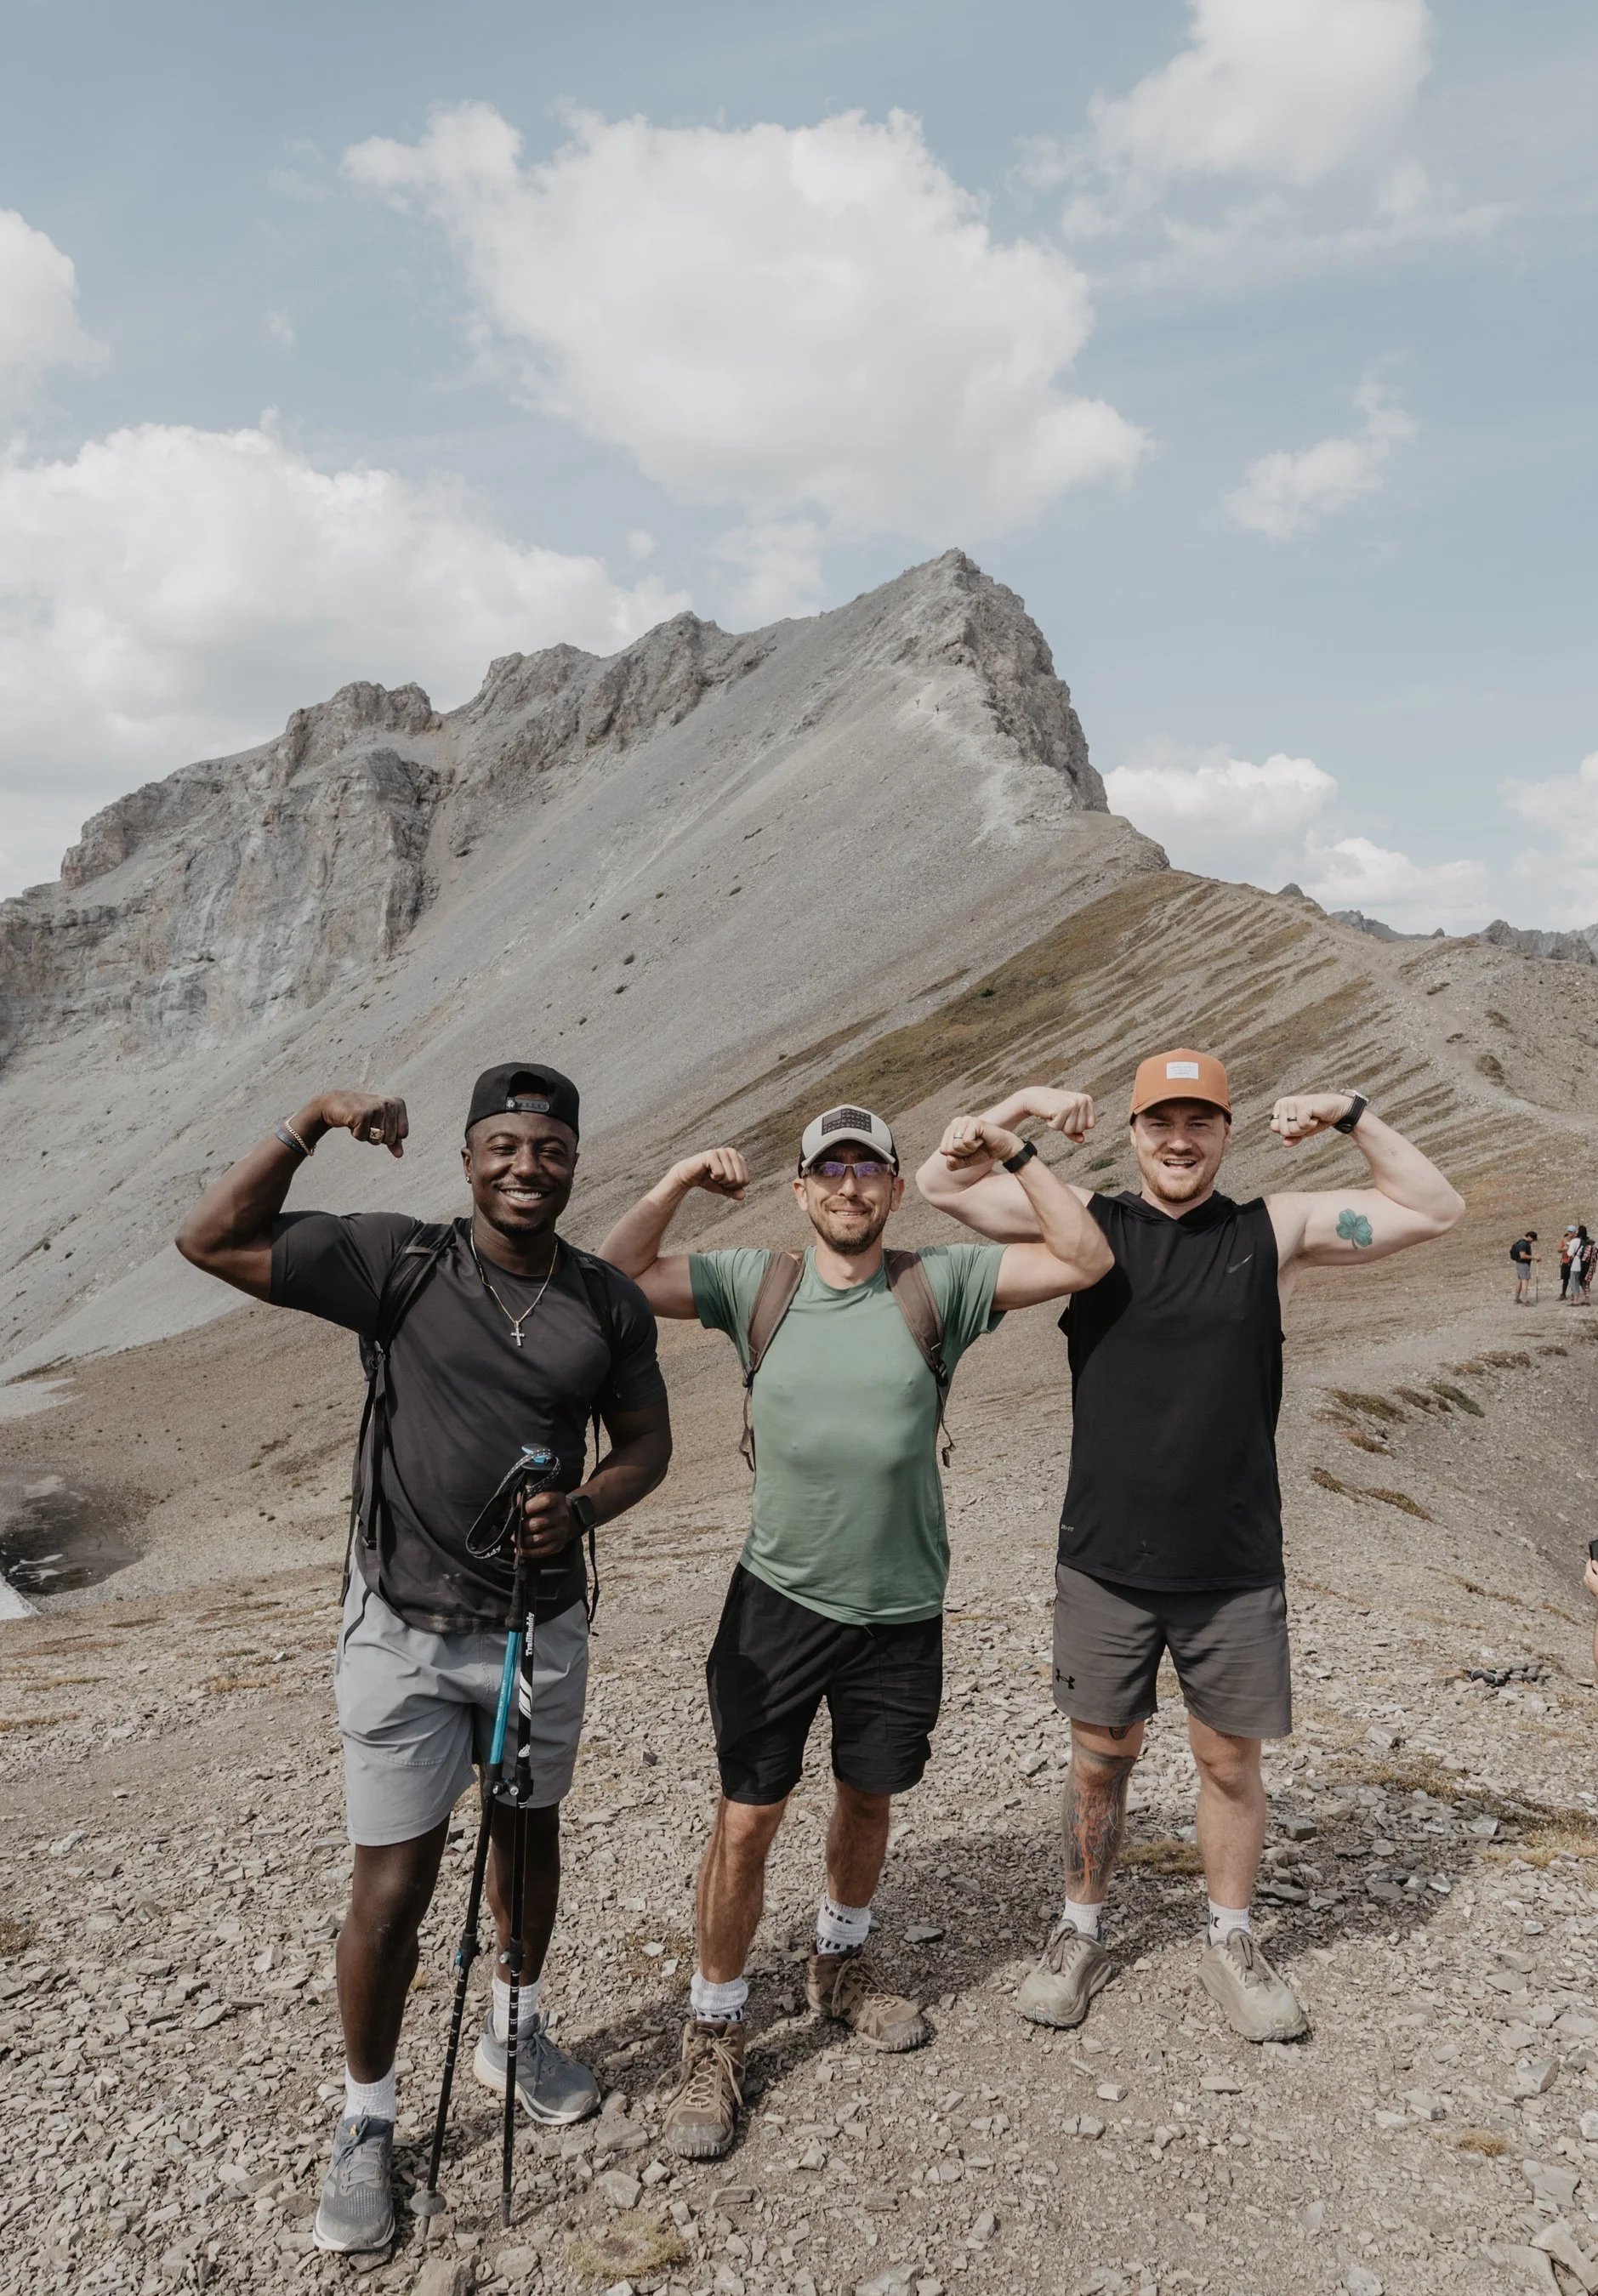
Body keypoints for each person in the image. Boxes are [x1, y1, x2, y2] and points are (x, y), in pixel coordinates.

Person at [176, 1066, 672, 2255]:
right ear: (466, 1158)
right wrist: (312, 1118)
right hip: (398, 1628)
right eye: (502, 1145)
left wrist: (585, 1511)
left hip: (534, 1626)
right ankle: (365, 2122)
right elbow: (209, 1239)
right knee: (390, 1886)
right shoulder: (398, 1260)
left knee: (526, 1836)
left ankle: (515, 2028)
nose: (525, 1167)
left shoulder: (603, 1301)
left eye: (548, 1149)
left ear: (570, 1162)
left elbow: (647, 1443)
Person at [597, 1102, 1112, 2158]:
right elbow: (611, 1277)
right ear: (800, 1193)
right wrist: (680, 1175)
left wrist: (1013, 1147)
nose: (847, 1188)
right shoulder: (758, 1283)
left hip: (901, 1609)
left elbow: (1085, 1255)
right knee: (747, 1819)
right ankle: (716, 2022)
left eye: (866, 1171)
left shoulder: (941, 1284)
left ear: (892, 1187)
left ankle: (836, 1961)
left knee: (867, 1797)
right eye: (827, 1173)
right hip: (776, 1602)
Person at [918, 1054, 1464, 2046]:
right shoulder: (1087, 1222)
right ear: (1132, 1134)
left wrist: (1350, 1109)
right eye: (1160, 1122)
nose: (1179, 1140)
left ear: (1224, 1133)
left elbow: (1433, 1208)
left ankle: (1231, 1939)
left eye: (1199, 1122)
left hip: (1232, 1561)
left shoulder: (1276, 1228)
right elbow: (942, 1181)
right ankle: (1078, 1932)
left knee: (1228, 1763)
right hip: (1102, 1559)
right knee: (1098, 1762)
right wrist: (1022, 1107)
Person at [1510, 1231, 1538, 1305]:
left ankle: (1516, 1299)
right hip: (1523, 1264)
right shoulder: (1523, 1244)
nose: (1532, 1241)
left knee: (1520, 1280)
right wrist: (1534, 1257)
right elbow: (1522, 1256)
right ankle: (1525, 1301)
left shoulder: (1520, 1242)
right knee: (1524, 1281)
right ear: (1529, 1237)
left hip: (1519, 1264)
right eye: (1533, 1239)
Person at [1560, 1226, 1578, 1302]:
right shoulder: (1564, 1240)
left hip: (1574, 1261)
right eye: (1569, 1231)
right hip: (1565, 1261)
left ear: (1575, 1232)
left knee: (1574, 1278)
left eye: (1571, 1232)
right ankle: (1563, 1294)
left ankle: (1574, 1294)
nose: (1570, 1233)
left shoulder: (1577, 1240)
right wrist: (1562, 1249)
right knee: (1565, 1279)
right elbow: (1558, 1250)